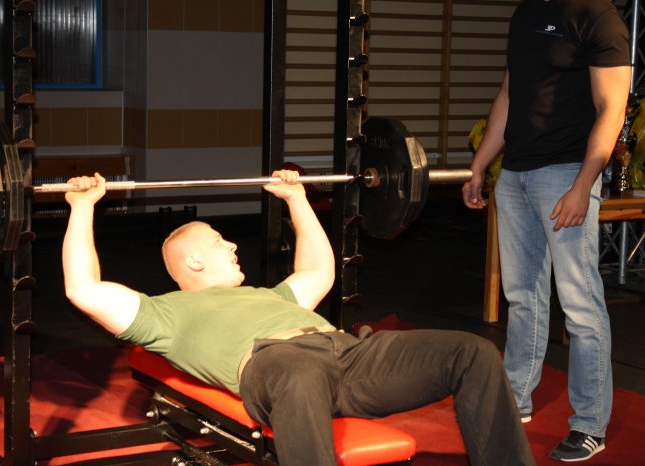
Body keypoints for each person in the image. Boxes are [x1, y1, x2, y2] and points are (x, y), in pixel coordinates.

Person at [63, 170, 535, 466]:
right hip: (277, 365)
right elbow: (83, 289)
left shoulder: (269, 296)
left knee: (471, 351)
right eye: (219, 241)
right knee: (297, 369)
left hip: (350, 356)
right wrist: (82, 208)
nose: (233, 244)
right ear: (194, 262)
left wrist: (297, 200)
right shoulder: (165, 313)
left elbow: (319, 272)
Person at [462, 0, 631, 462]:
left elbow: (612, 109)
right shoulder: (526, 13)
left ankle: (590, 424)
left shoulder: (599, 17)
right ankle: (515, 400)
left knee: (580, 304)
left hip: (565, 174)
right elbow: (508, 94)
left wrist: (582, 185)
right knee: (522, 297)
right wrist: (480, 164)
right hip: (515, 174)